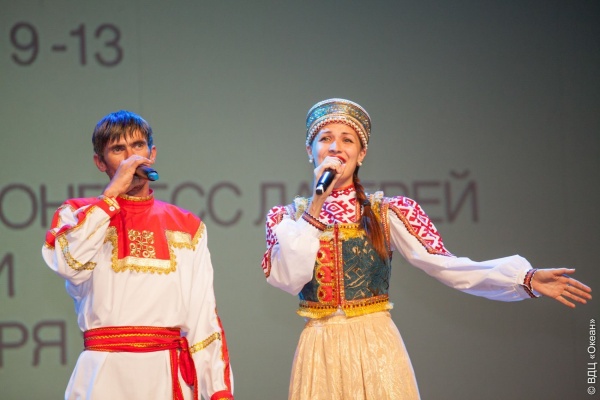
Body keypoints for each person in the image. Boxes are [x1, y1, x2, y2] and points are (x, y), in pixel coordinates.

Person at [260, 98, 592, 400]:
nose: (336, 147)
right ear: (310, 150)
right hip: (320, 349)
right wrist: (316, 204)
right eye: (325, 138)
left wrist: (523, 278)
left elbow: (445, 265)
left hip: (375, 345)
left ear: (361, 154)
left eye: (347, 140)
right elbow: (290, 278)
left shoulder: (388, 211)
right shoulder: (285, 219)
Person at [42, 110, 234, 400]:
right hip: (103, 376)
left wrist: (217, 390)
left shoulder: (187, 226)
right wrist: (110, 197)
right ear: (100, 162)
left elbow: (203, 316)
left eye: (138, 146)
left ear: (151, 154)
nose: (130, 158)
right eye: (118, 149)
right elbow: (70, 265)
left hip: (166, 374)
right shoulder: (77, 214)